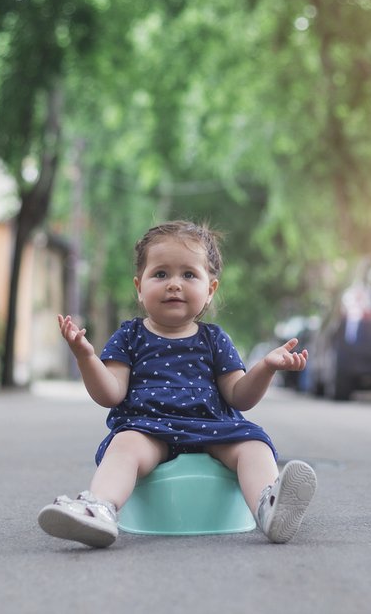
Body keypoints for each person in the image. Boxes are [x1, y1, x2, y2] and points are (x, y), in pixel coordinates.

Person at [38, 220, 317, 548]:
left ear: (210, 289)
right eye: (160, 274)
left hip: (212, 428)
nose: (174, 284)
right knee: (124, 447)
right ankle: (99, 507)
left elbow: (239, 396)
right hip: (149, 428)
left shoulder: (214, 339)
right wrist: (86, 357)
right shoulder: (130, 335)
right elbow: (111, 393)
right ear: (139, 287)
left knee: (254, 445)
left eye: (188, 274)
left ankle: (269, 507)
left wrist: (266, 368)